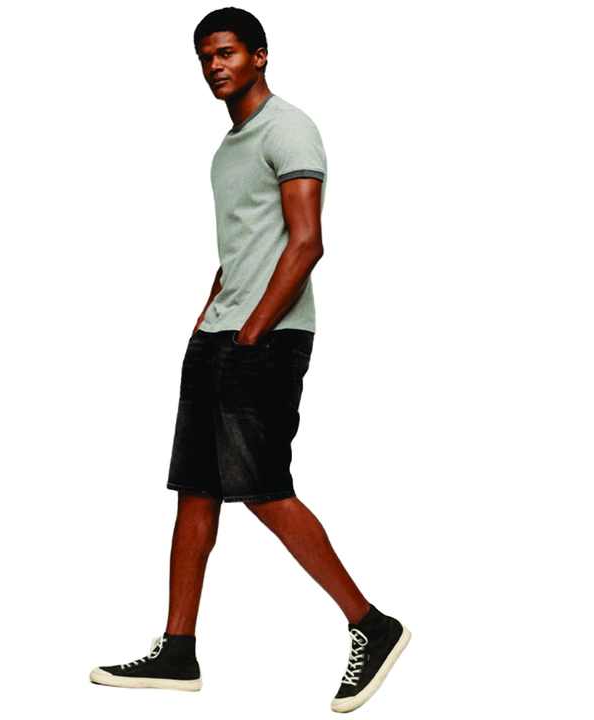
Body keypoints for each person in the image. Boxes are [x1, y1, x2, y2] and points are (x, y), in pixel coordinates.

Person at [90, 7, 410, 713]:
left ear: (260, 55)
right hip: (218, 336)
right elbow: (240, 249)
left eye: (228, 53)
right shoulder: (226, 149)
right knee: (195, 490)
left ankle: (372, 625)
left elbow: (307, 241)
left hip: (266, 339)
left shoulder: (289, 128)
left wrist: (252, 331)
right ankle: (178, 650)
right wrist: (210, 316)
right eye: (206, 57)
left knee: (263, 489)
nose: (216, 66)